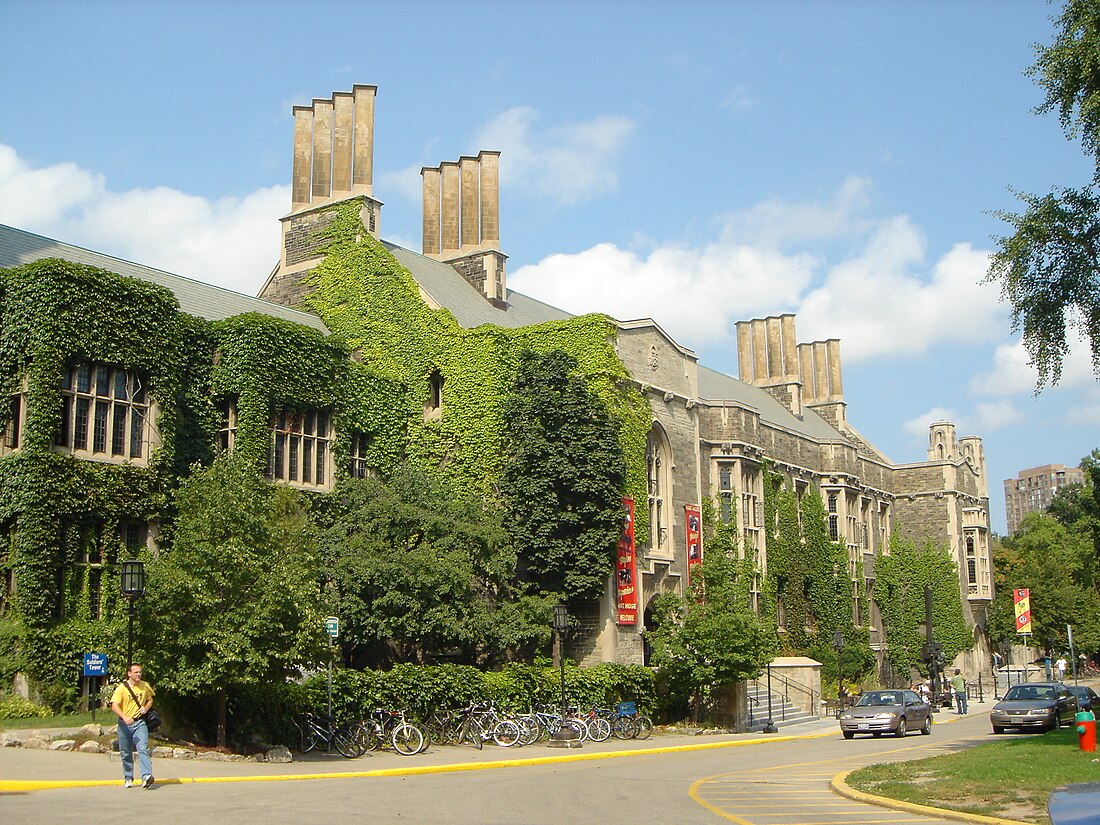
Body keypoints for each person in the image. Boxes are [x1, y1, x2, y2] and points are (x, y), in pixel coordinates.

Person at [111, 663, 155, 789]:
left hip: (139, 722)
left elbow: (150, 699)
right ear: (129, 674)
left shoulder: (144, 686)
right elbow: (114, 705)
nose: (139, 674)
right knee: (125, 752)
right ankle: (128, 777)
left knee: (142, 748)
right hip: (124, 724)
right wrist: (124, 717)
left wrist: (145, 708)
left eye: (140, 672)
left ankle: (146, 776)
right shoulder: (122, 688)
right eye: (136, 672)